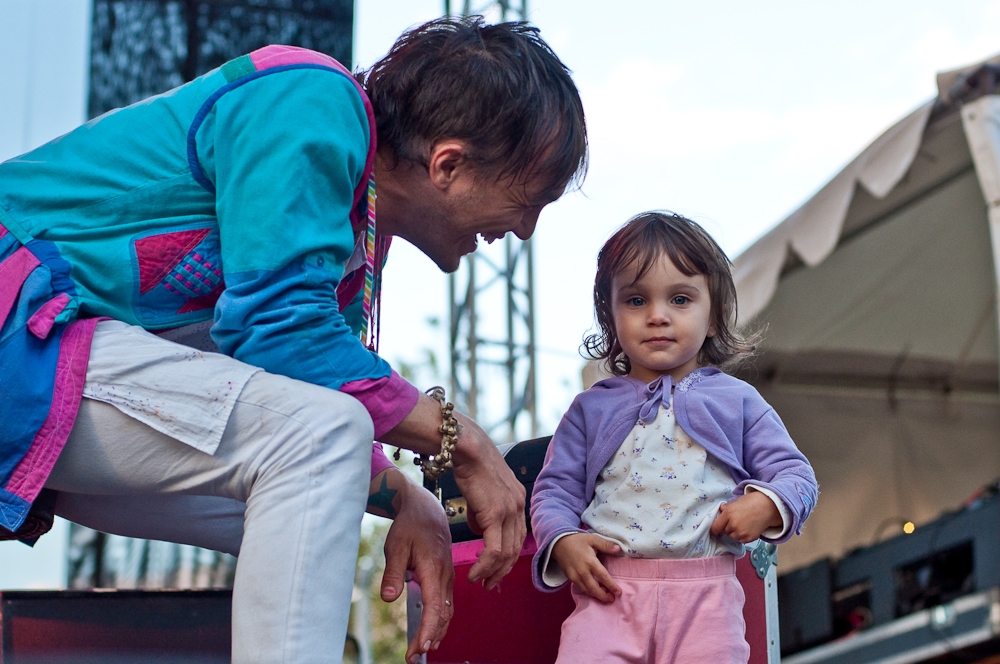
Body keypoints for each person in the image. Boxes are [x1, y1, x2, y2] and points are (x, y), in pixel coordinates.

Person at [0, 16, 586, 664]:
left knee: (317, 484)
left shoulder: (356, 235)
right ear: (449, 165)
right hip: (19, 337)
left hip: (47, 366)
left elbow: (295, 406)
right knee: (324, 438)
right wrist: (462, 441)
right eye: (530, 199)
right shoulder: (310, 99)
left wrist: (408, 499)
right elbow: (281, 336)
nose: (526, 230)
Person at [529, 212, 818, 663]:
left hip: (707, 600)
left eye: (680, 299)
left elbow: (797, 476)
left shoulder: (738, 400)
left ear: (713, 313)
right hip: (609, 596)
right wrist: (563, 539)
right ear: (610, 315)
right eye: (636, 300)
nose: (658, 316)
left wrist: (766, 503)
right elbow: (554, 490)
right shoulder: (590, 407)